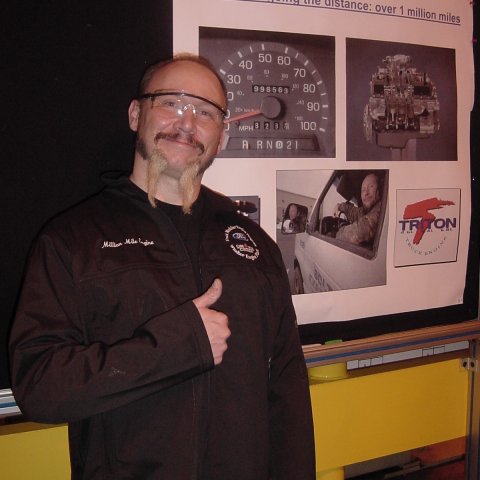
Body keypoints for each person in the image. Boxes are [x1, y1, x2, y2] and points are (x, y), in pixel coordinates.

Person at [9, 54, 315, 480]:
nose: (187, 124)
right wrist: (175, 345)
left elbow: (288, 391)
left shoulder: (255, 246)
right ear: (137, 114)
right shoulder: (72, 240)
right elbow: (39, 387)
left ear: (221, 137)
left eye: (206, 113)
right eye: (171, 103)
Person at [333, 172, 382, 246]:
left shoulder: (381, 209)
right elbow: (355, 213)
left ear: (379, 189)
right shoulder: (368, 209)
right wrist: (339, 206)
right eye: (363, 190)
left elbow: (362, 230)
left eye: (371, 186)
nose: (366, 193)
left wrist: (336, 234)